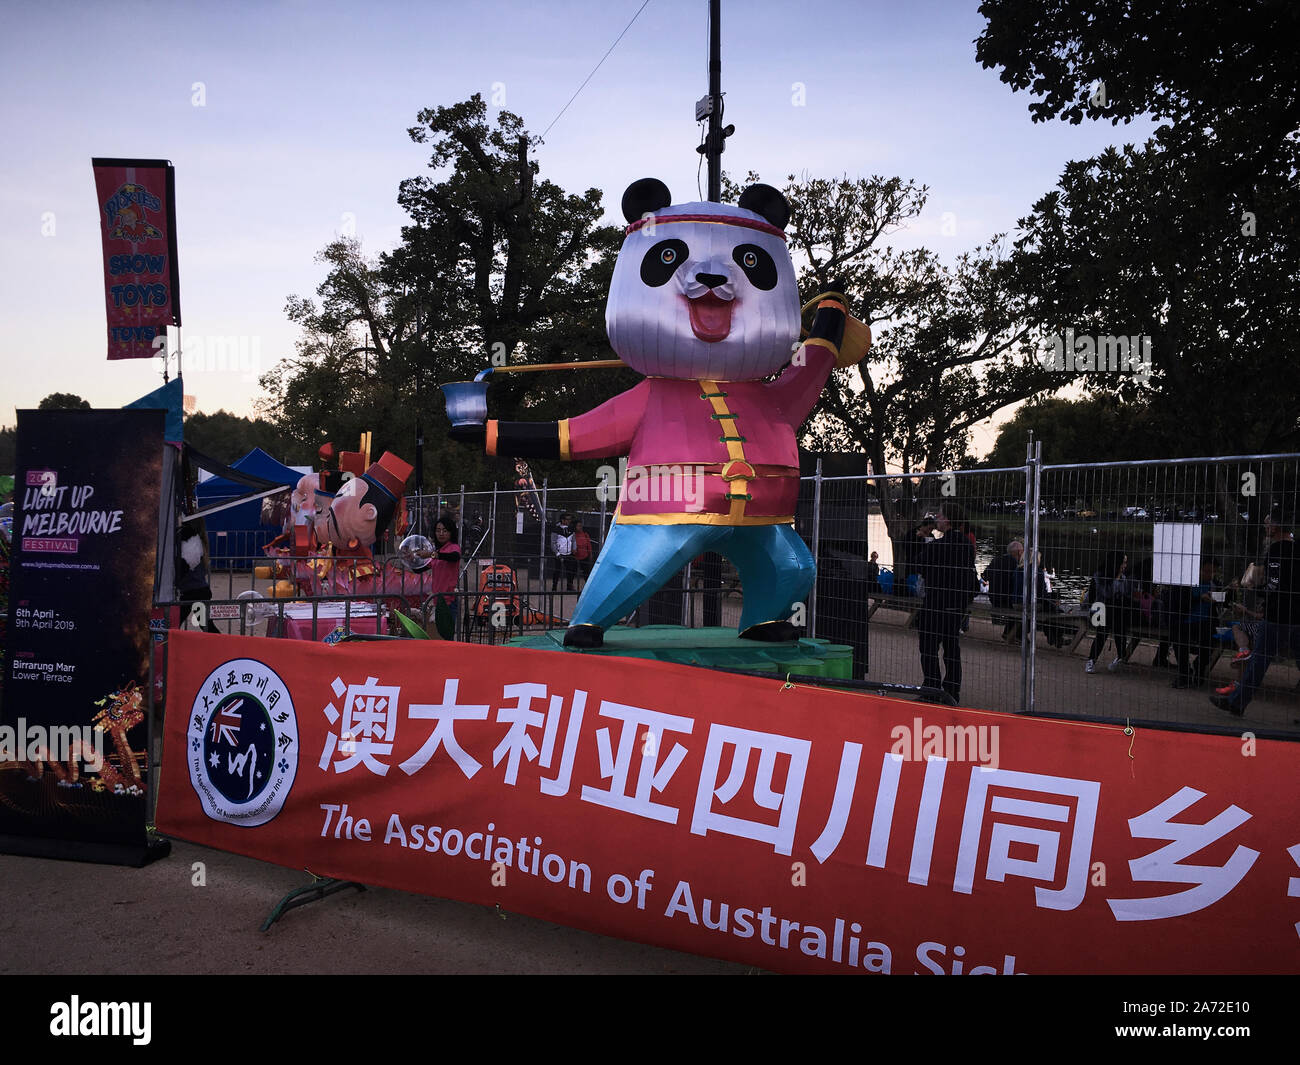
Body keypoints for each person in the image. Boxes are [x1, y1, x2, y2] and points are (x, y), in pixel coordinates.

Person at [1212, 508, 1300, 716]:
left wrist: (1254, 588)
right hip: (1297, 616)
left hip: (1278, 616)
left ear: (1276, 526)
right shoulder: (1297, 549)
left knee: (1259, 660)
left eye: (1267, 524)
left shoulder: (1277, 550)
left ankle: (1237, 703)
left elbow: (1274, 586)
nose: (1265, 527)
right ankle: (1236, 701)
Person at [916, 503, 977, 703]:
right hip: (955, 605)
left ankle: (931, 687)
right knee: (952, 648)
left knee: (929, 648)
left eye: (940, 515)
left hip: (935, 603)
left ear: (948, 520)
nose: (937, 519)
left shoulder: (936, 546)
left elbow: (921, 567)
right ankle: (952, 691)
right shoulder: (967, 546)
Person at [1171, 557, 1219, 689]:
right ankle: (1184, 674)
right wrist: (1198, 598)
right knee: (1180, 642)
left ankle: (1199, 666)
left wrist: (1227, 593)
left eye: (1213, 572)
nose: (1210, 575)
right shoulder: (1184, 583)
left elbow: (1222, 601)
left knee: (1210, 642)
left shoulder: (1213, 584)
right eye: (1207, 571)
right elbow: (1178, 602)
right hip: (1185, 621)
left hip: (1204, 622)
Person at [1084, 550, 1134, 673]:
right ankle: (1091, 660)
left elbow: (1126, 596)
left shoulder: (1124, 578)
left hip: (1115, 610)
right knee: (1103, 630)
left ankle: (1120, 656)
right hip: (1099, 608)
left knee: (1118, 620)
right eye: (1123, 563)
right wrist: (1116, 581)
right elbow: (1105, 594)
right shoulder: (1099, 577)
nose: (1125, 566)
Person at [984, 539, 1024, 641]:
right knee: (1022, 607)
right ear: (1019, 552)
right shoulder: (1017, 565)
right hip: (1007, 600)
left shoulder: (996, 560)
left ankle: (1010, 633)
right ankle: (1015, 635)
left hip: (994, 598)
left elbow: (985, 576)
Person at [429, 514, 461, 639]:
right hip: (438, 600)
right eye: (438, 530)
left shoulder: (453, 548)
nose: (441, 533)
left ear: (451, 532)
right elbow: (422, 568)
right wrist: (412, 558)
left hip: (449, 600)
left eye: (445, 530)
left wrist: (434, 555)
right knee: (439, 636)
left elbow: (454, 557)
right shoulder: (438, 551)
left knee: (446, 636)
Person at [551, 513, 577, 591]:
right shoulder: (556, 529)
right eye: (567, 519)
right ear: (563, 520)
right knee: (557, 571)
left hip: (569, 553)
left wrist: (574, 548)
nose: (569, 521)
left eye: (570, 519)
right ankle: (554, 587)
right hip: (559, 553)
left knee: (570, 571)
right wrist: (557, 553)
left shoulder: (571, 529)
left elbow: (573, 540)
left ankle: (569, 586)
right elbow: (553, 542)